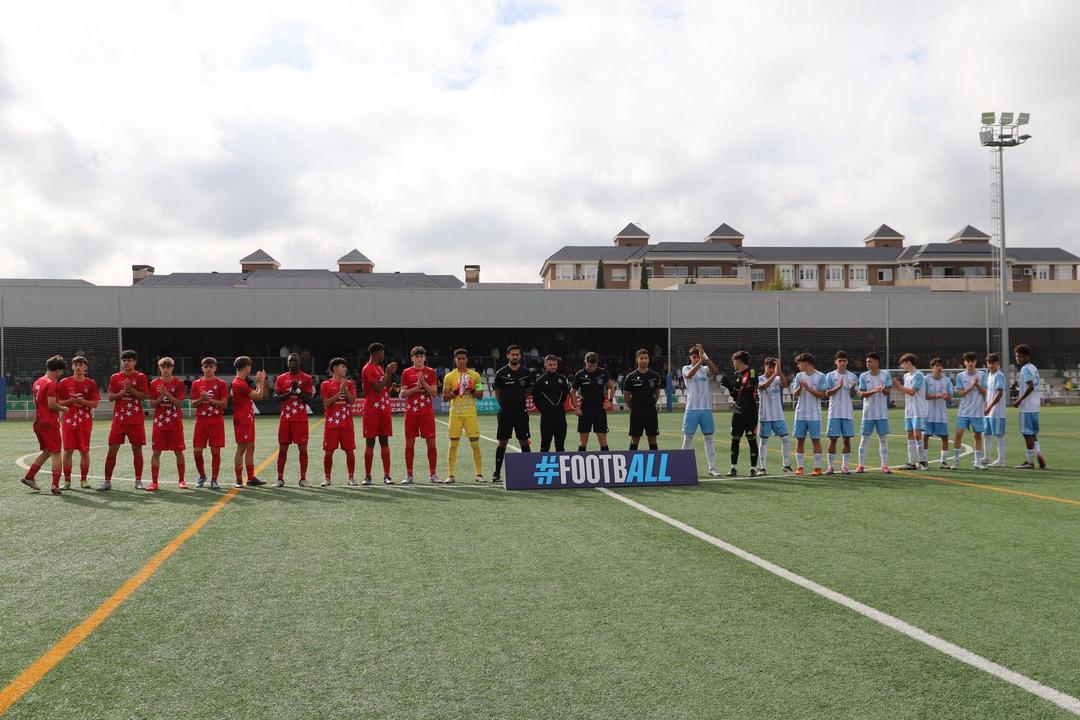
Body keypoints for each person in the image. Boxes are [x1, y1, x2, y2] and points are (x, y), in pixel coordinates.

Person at [99, 350, 149, 491]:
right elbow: (110, 397)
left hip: (135, 421)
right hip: (119, 421)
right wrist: (123, 392)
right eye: (124, 360)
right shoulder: (115, 377)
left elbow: (143, 396)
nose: (126, 363)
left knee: (137, 451)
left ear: (135, 362)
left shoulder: (140, 377)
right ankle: (107, 481)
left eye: (129, 360)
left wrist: (130, 389)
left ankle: (138, 480)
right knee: (112, 450)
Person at [22, 355, 67, 494]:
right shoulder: (51, 383)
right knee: (56, 453)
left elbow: (35, 402)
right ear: (58, 370)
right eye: (62, 371)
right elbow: (51, 404)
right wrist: (64, 408)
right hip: (49, 424)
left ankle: (29, 477)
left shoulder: (38, 382)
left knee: (47, 451)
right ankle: (55, 485)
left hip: (38, 423)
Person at [271, 352, 315, 487]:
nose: (293, 363)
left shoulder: (307, 378)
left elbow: (309, 399)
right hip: (286, 419)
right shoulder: (281, 378)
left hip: (300, 419)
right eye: (290, 361)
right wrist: (290, 392)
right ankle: (280, 479)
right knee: (282, 449)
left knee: (303, 449)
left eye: (295, 360)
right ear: (287, 363)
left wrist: (298, 391)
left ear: (299, 362)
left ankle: (303, 479)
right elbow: (275, 398)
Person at [442, 349, 485, 483]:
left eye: (463, 358)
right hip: (455, 414)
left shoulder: (475, 376)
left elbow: (480, 396)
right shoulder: (449, 376)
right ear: (455, 360)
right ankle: (451, 475)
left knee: (475, 444)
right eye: (459, 358)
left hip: (470, 414)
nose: (461, 361)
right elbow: (445, 397)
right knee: (453, 445)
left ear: (467, 360)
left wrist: (472, 389)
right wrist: (456, 391)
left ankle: (479, 474)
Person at [58, 355, 100, 489]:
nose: (78, 367)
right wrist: (71, 401)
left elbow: (95, 403)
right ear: (72, 367)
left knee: (84, 451)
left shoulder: (91, 383)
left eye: (81, 365)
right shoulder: (64, 382)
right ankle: (67, 481)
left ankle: (84, 480)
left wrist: (82, 401)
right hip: (68, 421)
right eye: (75, 365)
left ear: (85, 367)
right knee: (68, 450)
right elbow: (58, 402)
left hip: (84, 421)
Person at [492, 344, 532, 483]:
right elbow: (497, 391)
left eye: (517, 354)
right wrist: (504, 403)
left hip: (521, 412)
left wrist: (520, 401)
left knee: (524, 441)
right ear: (508, 355)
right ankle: (497, 472)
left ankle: (529, 470)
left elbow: (527, 390)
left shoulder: (526, 372)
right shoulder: (501, 372)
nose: (515, 357)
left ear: (520, 356)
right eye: (512, 354)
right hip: (505, 413)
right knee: (502, 442)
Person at [400, 346, 439, 484]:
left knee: (431, 444)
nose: (419, 359)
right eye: (417, 356)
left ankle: (433, 474)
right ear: (412, 358)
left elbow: (434, 393)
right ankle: (409, 475)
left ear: (425, 358)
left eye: (422, 356)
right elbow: (402, 394)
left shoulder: (431, 372)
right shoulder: (406, 372)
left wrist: (423, 382)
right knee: (409, 444)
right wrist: (416, 387)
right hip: (411, 413)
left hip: (427, 413)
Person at [680, 344, 720, 476]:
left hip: (706, 409)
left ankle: (712, 468)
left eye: (698, 357)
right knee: (688, 438)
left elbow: (715, 371)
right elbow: (689, 375)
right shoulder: (686, 368)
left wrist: (705, 357)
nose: (696, 359)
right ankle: (683, 467)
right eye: (694, 357)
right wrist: (700, 361)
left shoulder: (705, 369)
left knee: (709, 438)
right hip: (692, 409)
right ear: (690, 358)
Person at [361, 343, 398, 485]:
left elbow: (384, 387)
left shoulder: (379, 368)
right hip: (372, 410)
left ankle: (387, 476)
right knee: (370, 442)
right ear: (377, 353)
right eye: (382, 353)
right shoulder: (367, 368)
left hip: (384, 409)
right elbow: (377, 388)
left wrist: (390, 375)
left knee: (384, 441)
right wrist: (388, 373)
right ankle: (367, 476)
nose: (384, 355)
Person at [147, 357, 186, 491]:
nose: (165, 369)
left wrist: (166, 394)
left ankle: (181, 480)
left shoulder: (178, 383)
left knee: (178, 452)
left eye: (168, 367)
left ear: (172, 368)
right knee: (156, 452)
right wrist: (161, 396)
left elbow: (179, 404)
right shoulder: (154, 383)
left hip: (175, 423)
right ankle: (154, 482)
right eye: (163, 367)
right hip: (159, 423)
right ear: (159, 368)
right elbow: (152, 404)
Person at [719, 350, 759, 477]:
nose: (733, 363)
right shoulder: (737, 374)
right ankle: (733, 468)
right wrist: (730, 388)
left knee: (751, 439)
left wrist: (735, 386)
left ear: (739, 361)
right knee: (735, 439)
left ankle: (753, 469)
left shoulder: (752, 372)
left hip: (749, 412)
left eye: (734, 361)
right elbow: (736, 396)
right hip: (737, 412)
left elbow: (750, 389)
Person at [191, 357, 229, 489]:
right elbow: (194, 403)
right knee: (197, 450)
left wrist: (210, 400)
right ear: (202, 368)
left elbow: (224, 404)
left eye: (211, 366)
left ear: (215, 368)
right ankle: (202, 475)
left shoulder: (221, 383)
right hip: (201, 420)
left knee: (215, 451)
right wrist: (201, 399)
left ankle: (214, 479)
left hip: (216, 420)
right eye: (206, 366)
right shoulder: (196, 384)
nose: (208, 369)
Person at [232, 356, 268, 487]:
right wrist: (261, 381)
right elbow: (259, 395)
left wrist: (258, 383)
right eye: (249, 366)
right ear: (246, 367)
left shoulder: (242, 382)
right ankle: (238, 479)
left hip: (247, 418)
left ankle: (251, 477)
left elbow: (257, 395)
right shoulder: (239, 383)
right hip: (242, 420)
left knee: (251, 447)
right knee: (241, 448)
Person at [321, 357, 357, 486]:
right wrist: (339, 392)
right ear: (335, 368)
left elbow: (352, 401)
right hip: (332, 424)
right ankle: (327, 478)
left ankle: (351, 478)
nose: (345, 369)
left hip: (347, 423)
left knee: (350, 451)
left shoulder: (349, 383)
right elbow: (326, 403)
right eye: (343, 366)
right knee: (328, 452)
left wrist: (345, 390)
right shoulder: (326, 384)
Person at [791, 352, 827, 476]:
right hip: (800, 413)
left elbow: (823, 395)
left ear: (806, 363)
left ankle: (817, 468)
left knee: (815, 440)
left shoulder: (820, 376)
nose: (798, 366)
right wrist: (801, 387)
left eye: (799, 363)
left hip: (814, 414)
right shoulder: (799, 376)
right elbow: (795, 394)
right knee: (800, 440)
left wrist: (809, 388)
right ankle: (799, 467)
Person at [823, 350, 858, 475]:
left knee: (847, 440)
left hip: (847, 412)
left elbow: (853, 395)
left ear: (847, 362)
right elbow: (827, 393)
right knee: (833, 440)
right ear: (836, 362)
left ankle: (845, 467)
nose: (842, 363)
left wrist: (852, 388)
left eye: (844, 360)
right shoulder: (830, 375)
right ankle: (830, 467)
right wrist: (838, 386)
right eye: (840, 361)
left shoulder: (852, 376)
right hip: (834, 413)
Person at [856, 351, 891, 474]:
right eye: (867, 362)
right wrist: (874, 391)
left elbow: (888, 392)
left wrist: (883, 390)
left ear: (877, 362)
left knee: (883, 439)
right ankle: (860, 465)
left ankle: (884, 465)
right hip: (868, 413)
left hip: (882, 413)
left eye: (870, 361)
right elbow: (861, 394)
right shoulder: (863, 376)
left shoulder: (886, 374)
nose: (868, 364)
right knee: (864, 438)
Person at [572, 352, 615, 451]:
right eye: (590, 366)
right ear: (585, 362)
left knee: (603, 440)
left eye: (594, 366)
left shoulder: (603, 372)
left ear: (597, 363)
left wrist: (609, 400)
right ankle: (581, 460)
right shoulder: (580, 374)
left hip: (599, 409)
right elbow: (572, 391)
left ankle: (605, 460)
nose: (592, 368)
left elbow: (611, 387)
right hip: (585, 410)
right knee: (583, 441)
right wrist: (577, 407)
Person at [1013, 344, 1046, 469]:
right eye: (1016, 356)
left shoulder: (1025, 369)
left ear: (1027, 356)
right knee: (1032, 433)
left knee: (1026, 434)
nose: (1018, 359)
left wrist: (1019, 400)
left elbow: (1030, 386)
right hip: (1035, 406)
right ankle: (1038, 453)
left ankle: (1030, 462)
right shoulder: (1034, 368)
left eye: (1020, 356)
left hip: (1026, 407)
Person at [892, 353, 928, 470]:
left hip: (918, 409)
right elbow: (906, 392)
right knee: (910, 435)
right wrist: (899, 387)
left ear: (909, 362)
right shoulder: (906, 376)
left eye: (903, 363)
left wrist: (899, 386)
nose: (902, 366)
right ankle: (911, 462)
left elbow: (912, 392)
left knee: (918, 435)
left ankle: (923, 461)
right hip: (909, 410)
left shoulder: (919, 375)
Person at [757, 357, 792, 475]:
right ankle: (763, 468)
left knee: (785, 439)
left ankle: (786, 465)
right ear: (764, 367)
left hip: (778, 416)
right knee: (763, 441)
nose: (771, 370)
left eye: (773, 368)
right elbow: (763, 387)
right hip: (765, 416)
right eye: (769, 367)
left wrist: (779, 370)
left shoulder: (777, 378)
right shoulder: (759, 379)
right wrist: (774, 374)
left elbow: (785, 384)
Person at [951, 352, 986, 470]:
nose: (970, 363)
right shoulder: (960, 376)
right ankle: (956, 461)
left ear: (976, 362)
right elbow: (960, 393)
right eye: (968, 361)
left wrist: (978, 385)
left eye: (972, 361)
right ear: (964, 363)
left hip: (977, 410)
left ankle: (977, 462)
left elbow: (985, 391)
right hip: (964, 410)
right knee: (958, 433)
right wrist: (973, 385)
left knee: (978, 435)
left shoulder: (982, 374)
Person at [622, 349, 661, 451]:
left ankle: (654, 460)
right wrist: (632, 407)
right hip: (637, 412)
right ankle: (632, 460)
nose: (644, 360)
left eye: (646, 358)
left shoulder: (655, 376)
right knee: (635, 439)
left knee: (652, 439)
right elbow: (626, 396)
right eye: (641, 358)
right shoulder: (631, 377)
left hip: (651, 412)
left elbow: (657, 394)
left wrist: (651, 404)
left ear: (648, 360)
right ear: (637, 360)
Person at [533, 355, 572, 452]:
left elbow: (564, 396)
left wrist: (557, 408)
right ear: (545, 365)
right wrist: (545, 410)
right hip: (547, 419)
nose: (553, 367)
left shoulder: (562, 379)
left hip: (560, 417)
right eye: (550, 365)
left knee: (560, 447)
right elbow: (536, 400)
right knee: (545, 447)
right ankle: (544, 463)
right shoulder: (540, 381)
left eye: (554, 364)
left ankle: (559, 463)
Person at [922, 358, 954, 470]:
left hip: (941, 414)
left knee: (945, 437)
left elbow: (950, 396)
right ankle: (924, 461)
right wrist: (936, 396)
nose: (939, 368)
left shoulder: (947, 380)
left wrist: (946, 396)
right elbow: (924, 396)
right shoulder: (925, 379)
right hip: (928, 413)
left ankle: (943, 462)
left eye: (941, 366)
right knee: (925, 437)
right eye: (937, 365)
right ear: (932, 367)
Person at [983, 353, 1008, 467]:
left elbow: (999, 393)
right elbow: (989, 392)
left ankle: (1001, 461)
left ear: (997, 363)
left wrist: (989, 407)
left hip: (997, 412)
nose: (990, 365)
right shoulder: (989, 375)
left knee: (999, 435)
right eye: (988, 363)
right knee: (986, 434)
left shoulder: (999, 375)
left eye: (992, 363)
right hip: (989, 411)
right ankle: (987, 457)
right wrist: (986, 404)